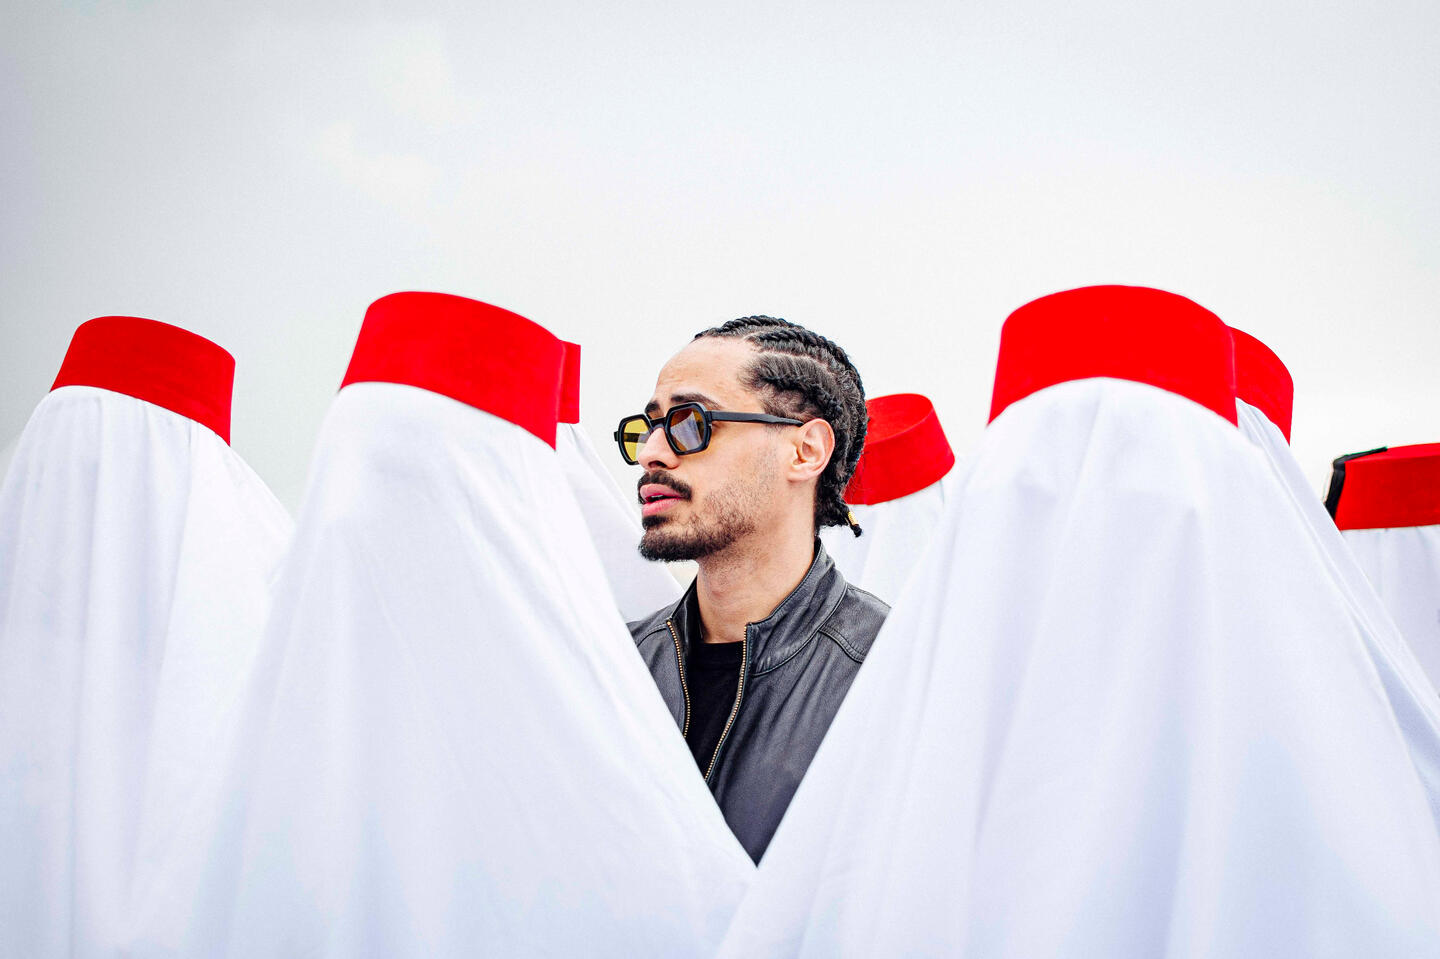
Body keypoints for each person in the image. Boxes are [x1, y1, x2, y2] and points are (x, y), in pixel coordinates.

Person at [618, 315, 889, 862]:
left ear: (805, 451)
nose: (651, 452)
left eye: (690, 422)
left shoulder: (888, 675)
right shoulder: (616, 665)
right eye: (647, 428)